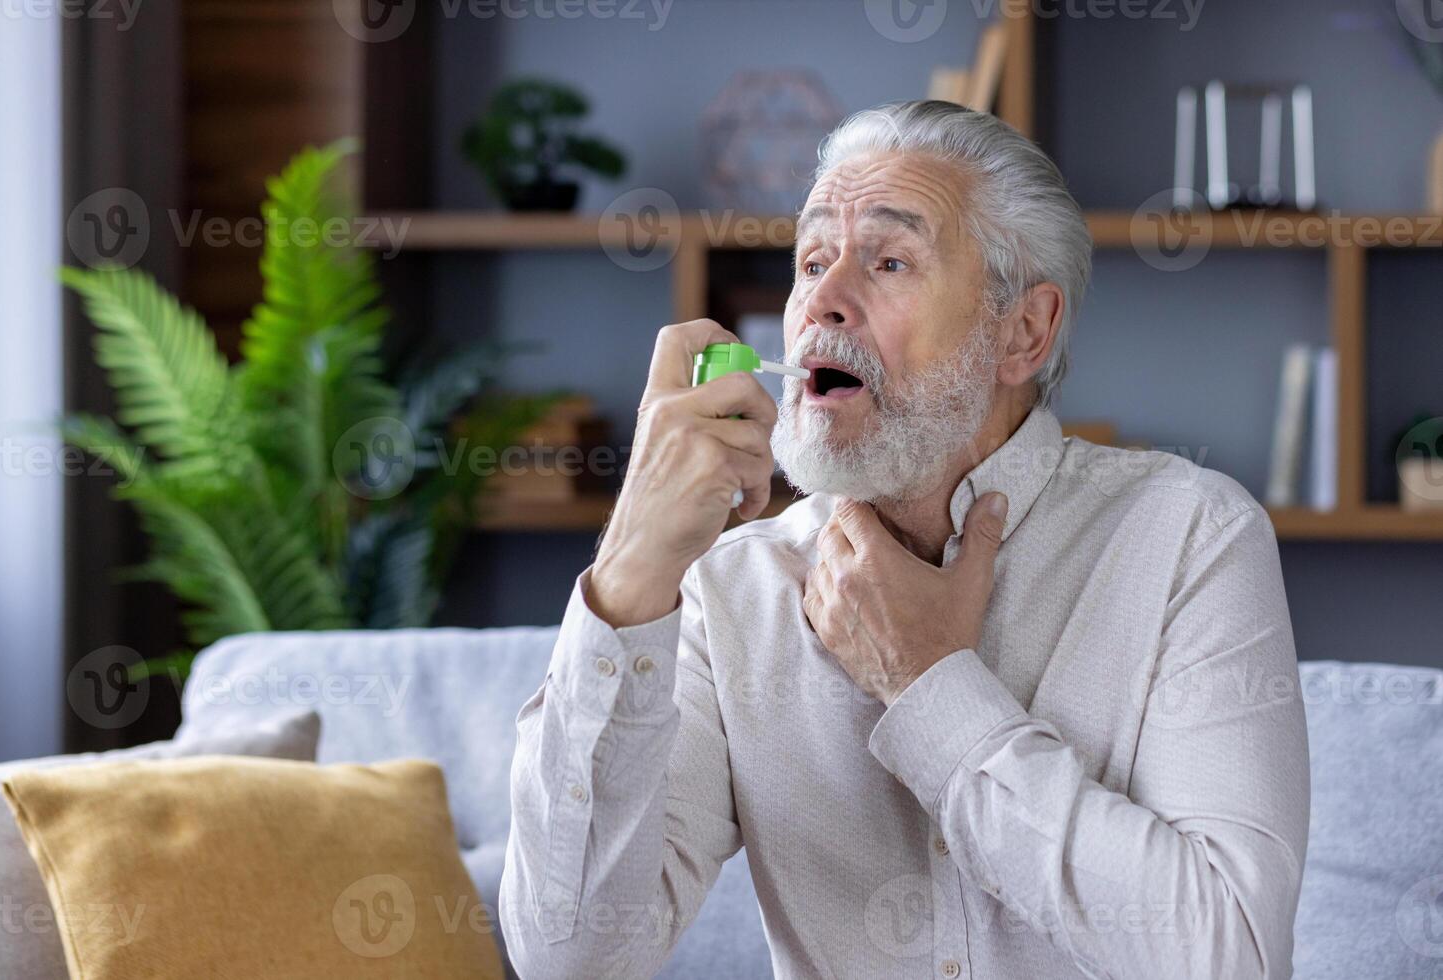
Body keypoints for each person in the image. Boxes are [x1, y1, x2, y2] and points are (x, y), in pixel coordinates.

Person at [500, 100, 1309, 979]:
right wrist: (630, 572)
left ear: (1023, 331)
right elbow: (570, 957)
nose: (823, 304)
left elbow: (1227, 956)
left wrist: (929, 686)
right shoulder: (729, 588)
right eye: (811, 261)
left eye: (888, 261)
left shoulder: (1189, 536)